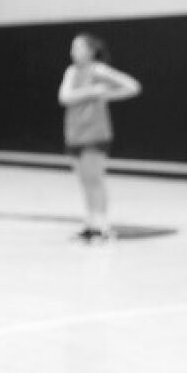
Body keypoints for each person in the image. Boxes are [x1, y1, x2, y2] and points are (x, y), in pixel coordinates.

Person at [57, 33, 142, 241]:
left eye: (77, 47)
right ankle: (90, 222)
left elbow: (132, 86)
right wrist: (93, 92)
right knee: (84, 181)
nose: (73, 52)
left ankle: (102, 225)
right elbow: (64, 97)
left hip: (94, 134)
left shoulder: (98, 70)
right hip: (74, 134)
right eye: (72, 47)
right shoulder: (71, 71)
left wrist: (106, 95)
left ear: (90, 50)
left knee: (95, 180)